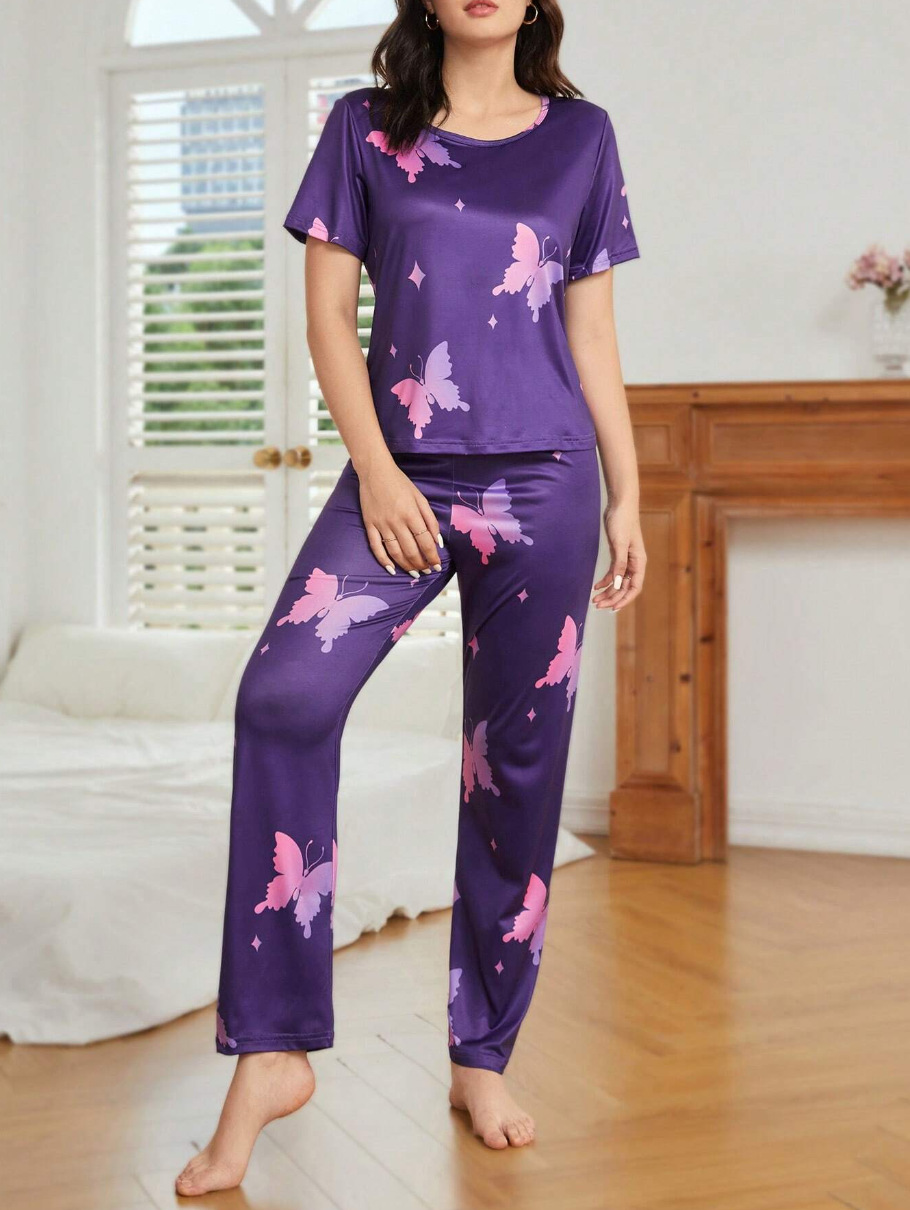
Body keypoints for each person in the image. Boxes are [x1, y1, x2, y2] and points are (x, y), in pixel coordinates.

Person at [176, 0, 645, 1194]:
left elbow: (591, 333)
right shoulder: (364, 129)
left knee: (514, 768)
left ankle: (481, 1053)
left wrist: (628, 493)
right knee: (282, 700)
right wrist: (379, 471)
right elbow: (327, 318)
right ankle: (274, 1049)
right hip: (401, 475)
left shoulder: (581, 136)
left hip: (546, 479)